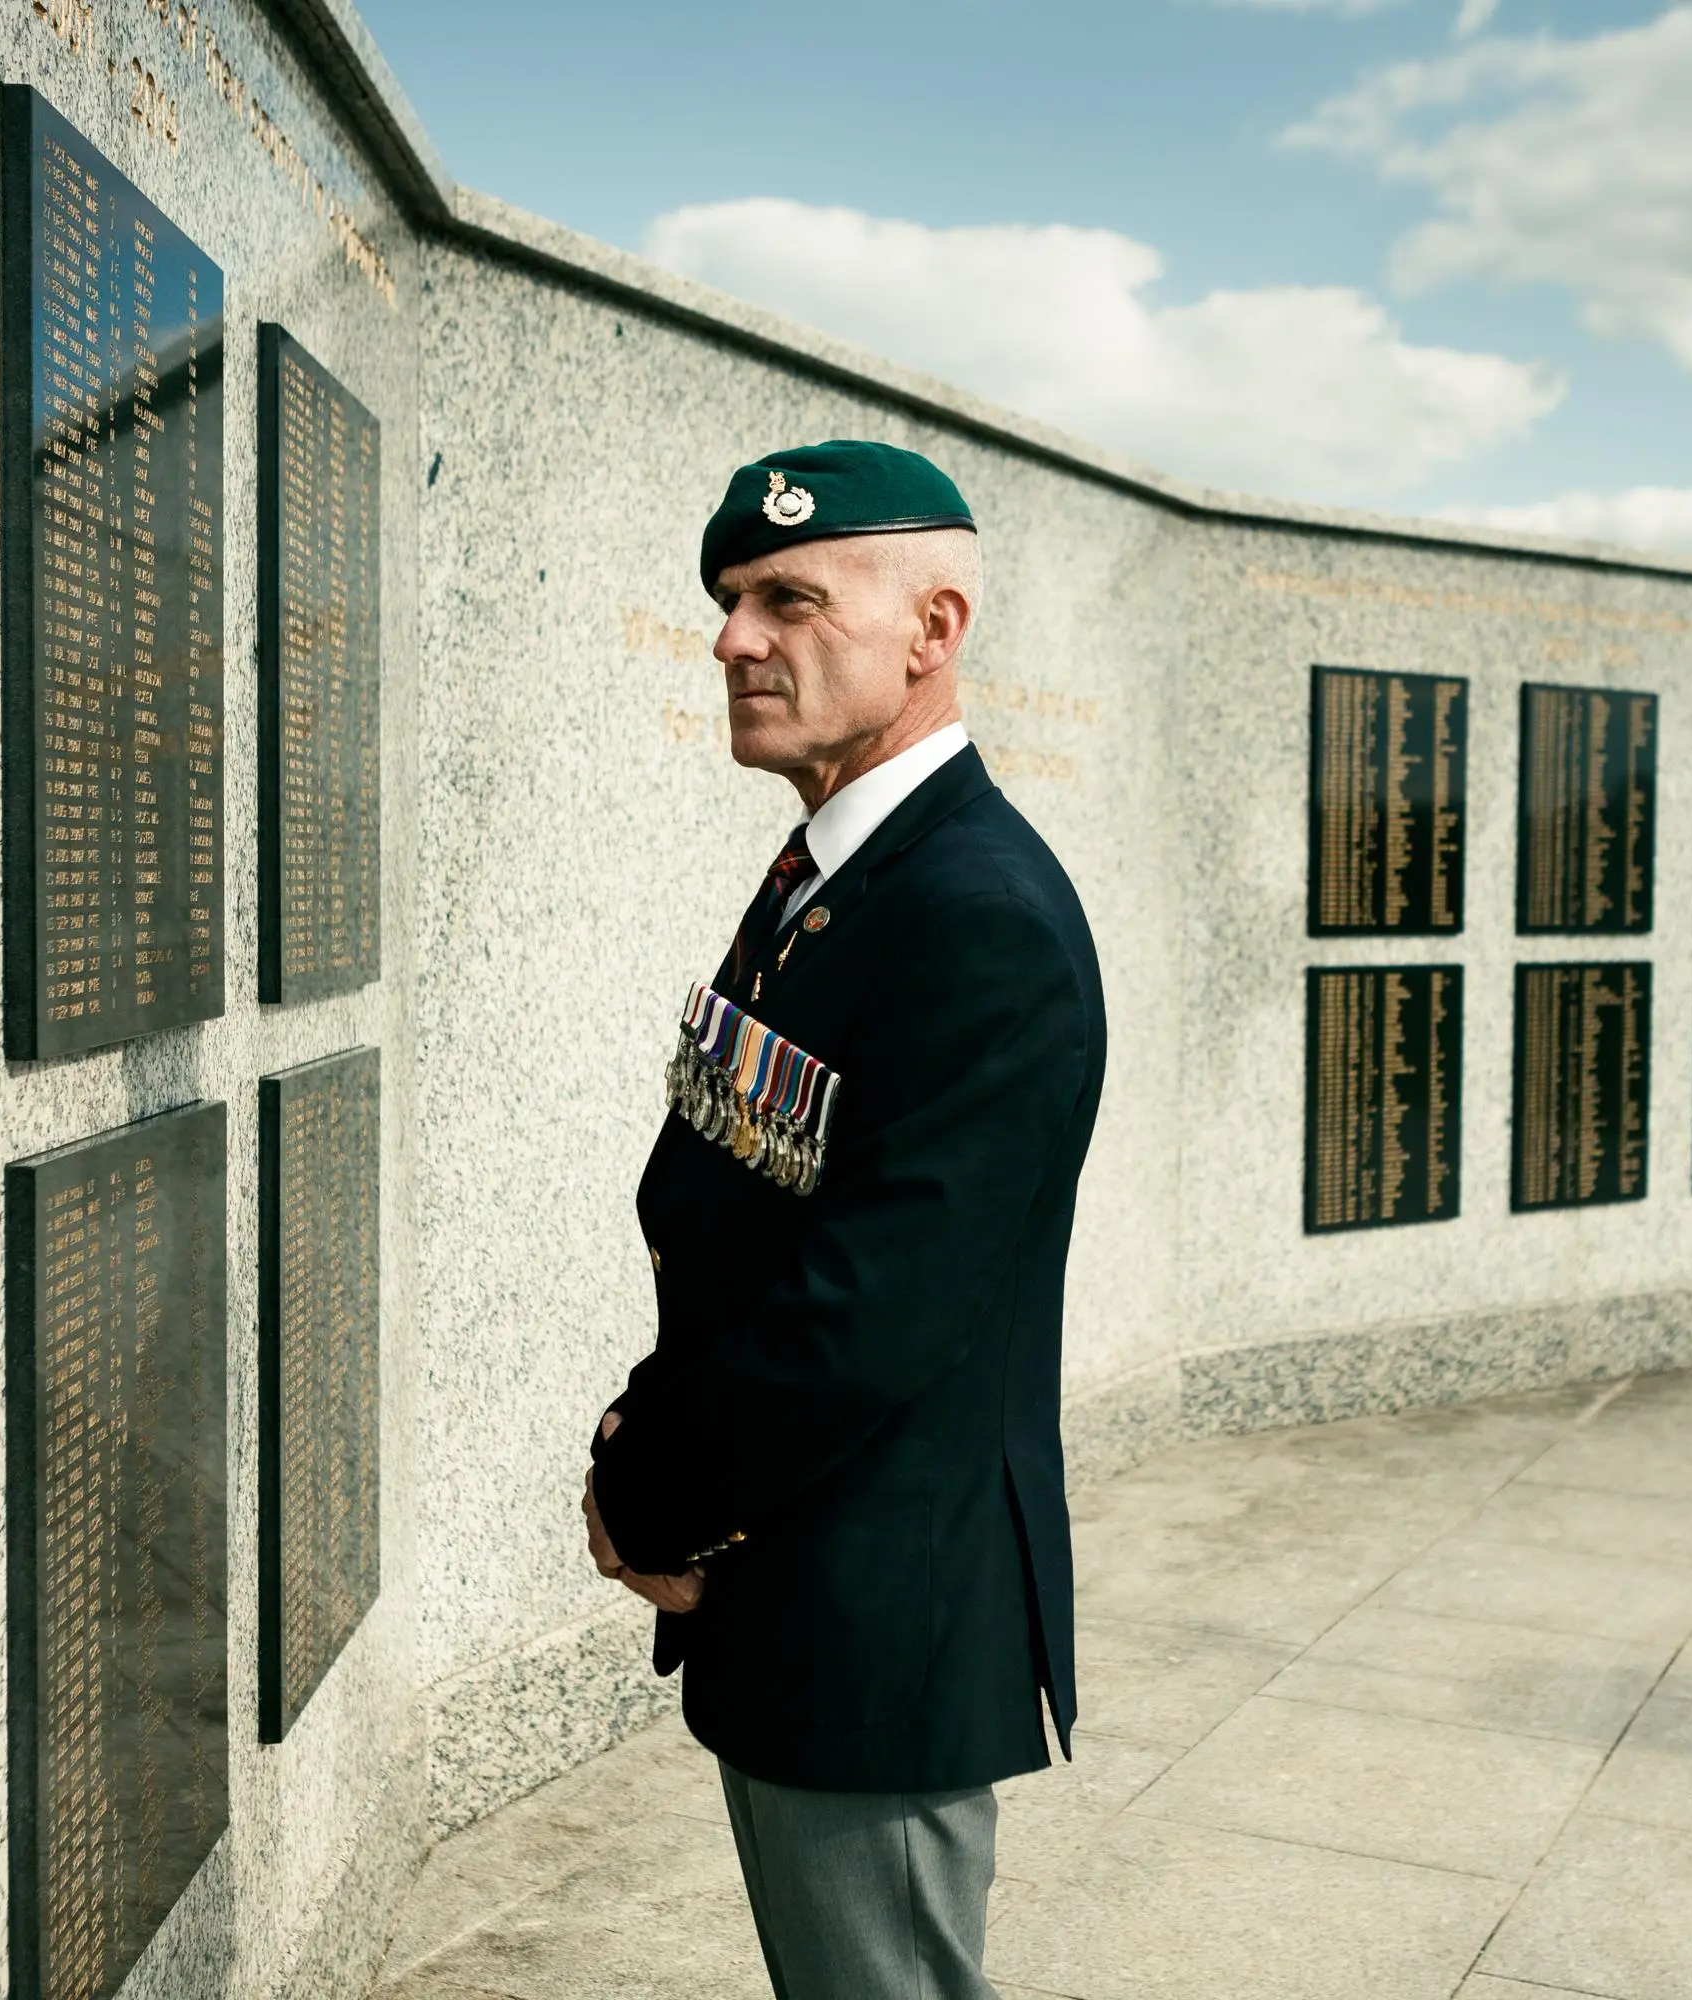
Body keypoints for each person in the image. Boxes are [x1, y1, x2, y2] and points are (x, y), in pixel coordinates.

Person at [582, 440, 1107, 2000]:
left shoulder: (978, 917)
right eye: (730, 600)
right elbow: (738, 1210)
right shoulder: (829, 875)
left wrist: (651, 1493)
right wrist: (647, 1430)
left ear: (933, 630)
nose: (733, 638)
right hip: (793, 1575)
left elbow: (861, 1317)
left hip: (878, 1611)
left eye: (788, 599)